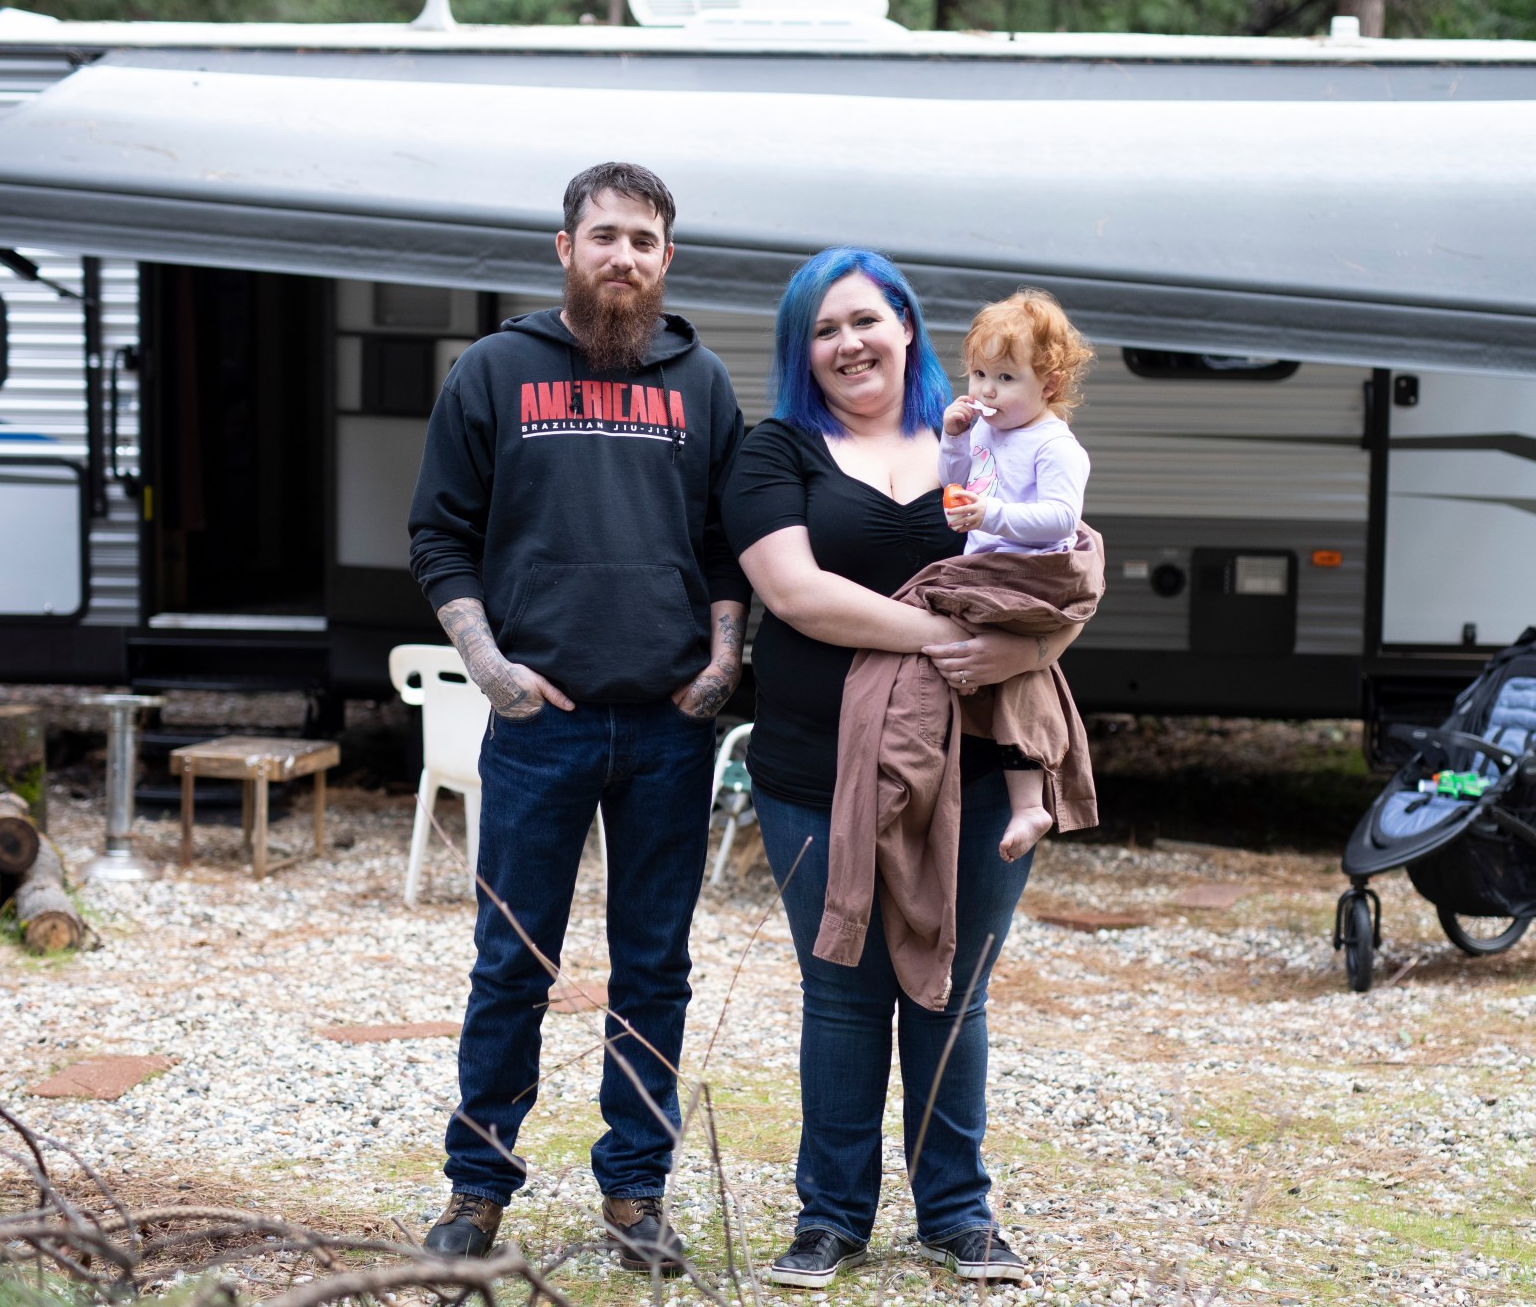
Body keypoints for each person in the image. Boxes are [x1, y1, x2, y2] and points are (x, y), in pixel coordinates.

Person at [406, 162, 748, 1274]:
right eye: (605, 236)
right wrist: (491, 667)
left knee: (655, 966)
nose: (624, 258)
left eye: (644, 242)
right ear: (564, 248)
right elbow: (438, 535)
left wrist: (722, 661)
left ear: (665, 260)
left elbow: (723, 546)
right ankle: (476, 1188)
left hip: (665, 728)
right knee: (511, 962)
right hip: (539, 724)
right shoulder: (495, 372)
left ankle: (636, 1192)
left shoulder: (702, 384)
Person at [725, 248, 1084, 1290]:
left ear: (909, 327)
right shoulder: (775, 451)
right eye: (824, 329)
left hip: (971, 764)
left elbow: (1056, 577)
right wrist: (941, 635)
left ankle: (957, 1217)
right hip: (813, 769)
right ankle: (830, 1219)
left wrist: (1028, 650)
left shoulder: (988, 439)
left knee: (950, 993)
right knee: (841, 995)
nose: (848, 344)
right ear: (804, 351)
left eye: (866, 321)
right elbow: (796, 596)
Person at [938, 288, 1098, 863]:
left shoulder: (1055, 445)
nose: (984, 391)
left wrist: (993, 516)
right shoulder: (985, 427)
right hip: (988, 564)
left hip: (1034, 571)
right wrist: (954, 437)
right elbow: (953, 480)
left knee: (1014, 671)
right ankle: (1008, 793)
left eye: (1005, 378)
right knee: (998, 672)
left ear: (1048, 385)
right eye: (978, 373)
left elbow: (1060, 517)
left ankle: (1030, 801)